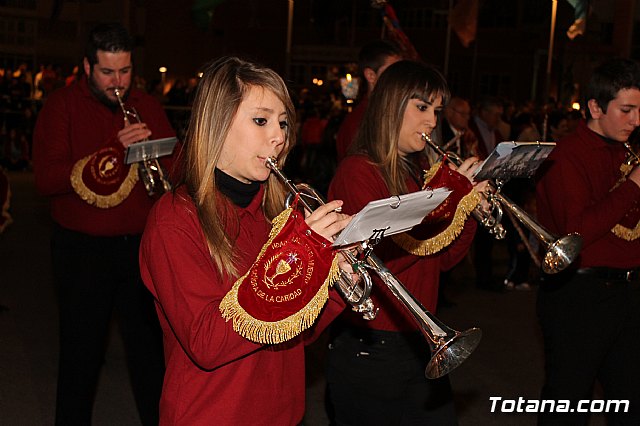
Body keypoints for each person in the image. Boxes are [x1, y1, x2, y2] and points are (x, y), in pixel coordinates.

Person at [139, 56, 353, 425]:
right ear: (218, 124)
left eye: (284, 123)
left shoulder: (279, 217)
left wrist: (336, 283)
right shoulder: (174, 219)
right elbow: (206, 343)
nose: (280, 136)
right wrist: (300, 254)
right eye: (261, 120)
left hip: (283, 414)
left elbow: (295, 334)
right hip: (211, 415)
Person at [326, 60, 486, 425]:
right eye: (422, 107)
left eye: (437, 111)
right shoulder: (358, 171)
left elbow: (440, 261)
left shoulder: (416, 172)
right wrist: (449, 204)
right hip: (373, 347)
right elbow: (380, 265)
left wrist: (469, 213)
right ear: (391, 106)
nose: (432, 121)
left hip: (419, 340)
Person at [32, 23, 175, 425]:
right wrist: (116, 149)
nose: (118, 83)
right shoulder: (61, 106)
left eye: (125, 71)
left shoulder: (146, 103)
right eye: (108, 72)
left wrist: (161, 152)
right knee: (81, 356)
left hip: (140, 249)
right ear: (86, 66)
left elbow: (175, 169)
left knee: (150, 354)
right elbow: (46, 179)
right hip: (82, 251)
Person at [535, 57, 640, 424]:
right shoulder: (567, 156)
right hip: (579, 295)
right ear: (595, 107)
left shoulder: (625, 150)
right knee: (568, 401)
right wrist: (633, 186)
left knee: (629, 398)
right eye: (626, 110)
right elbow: (576, 231)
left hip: (626, 291)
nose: (636, 121)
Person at [335, 39, 402, 162]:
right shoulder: (359, 121)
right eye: (392, 72)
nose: (399, 79)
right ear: (371, 75)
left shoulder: (388, 112)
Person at [467, 96, 506, 291]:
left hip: (490, 188)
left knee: (488, 237)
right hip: (475, 187)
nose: (497, 118)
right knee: (478, 238)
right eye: (494, 114)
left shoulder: (496, 132)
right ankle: (481, 277)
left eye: (499, 115)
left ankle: (485, 276)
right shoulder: (471, 130)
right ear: (483, 113)